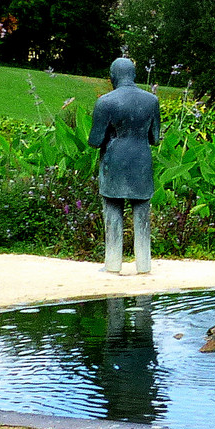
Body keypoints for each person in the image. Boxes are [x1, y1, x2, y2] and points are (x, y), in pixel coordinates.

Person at [89, 57, 161, 273]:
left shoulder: (106, 102)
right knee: (141, 213)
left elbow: (94, 141)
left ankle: (112, 263)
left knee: (112, 210)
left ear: (113, 76)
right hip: (141, 161)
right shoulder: (151, 101)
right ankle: (144, 264)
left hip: (114, 162)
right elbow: (155, 138)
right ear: (134, 75)